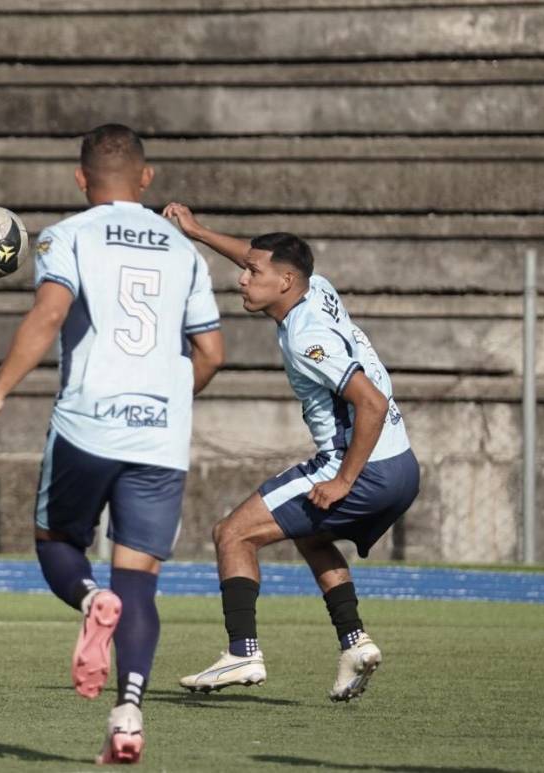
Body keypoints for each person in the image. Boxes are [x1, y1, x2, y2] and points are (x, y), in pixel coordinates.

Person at [0, 124, 224, 764]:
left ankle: (87, 600)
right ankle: (129, 712)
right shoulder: (186, 251)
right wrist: (162, 397)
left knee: (57, 542)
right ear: (147, 177)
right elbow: (212, 353)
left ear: (81, 180)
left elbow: (50, 314)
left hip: (87, 424)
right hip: (160, 433)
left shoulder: (67, 236)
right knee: (139, 584)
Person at [164, 205, 419, 703]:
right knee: (313, 534)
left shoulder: (307, 336)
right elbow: (264, 258)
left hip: (364, 467)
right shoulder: (314, 286)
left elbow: (371, 402)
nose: (241, 279)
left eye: (252, 274)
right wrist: (197, 232)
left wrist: (343, 480)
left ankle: (243, 651)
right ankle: (355, 643)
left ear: (284, 281)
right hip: (403, 465)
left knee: (232, 534)